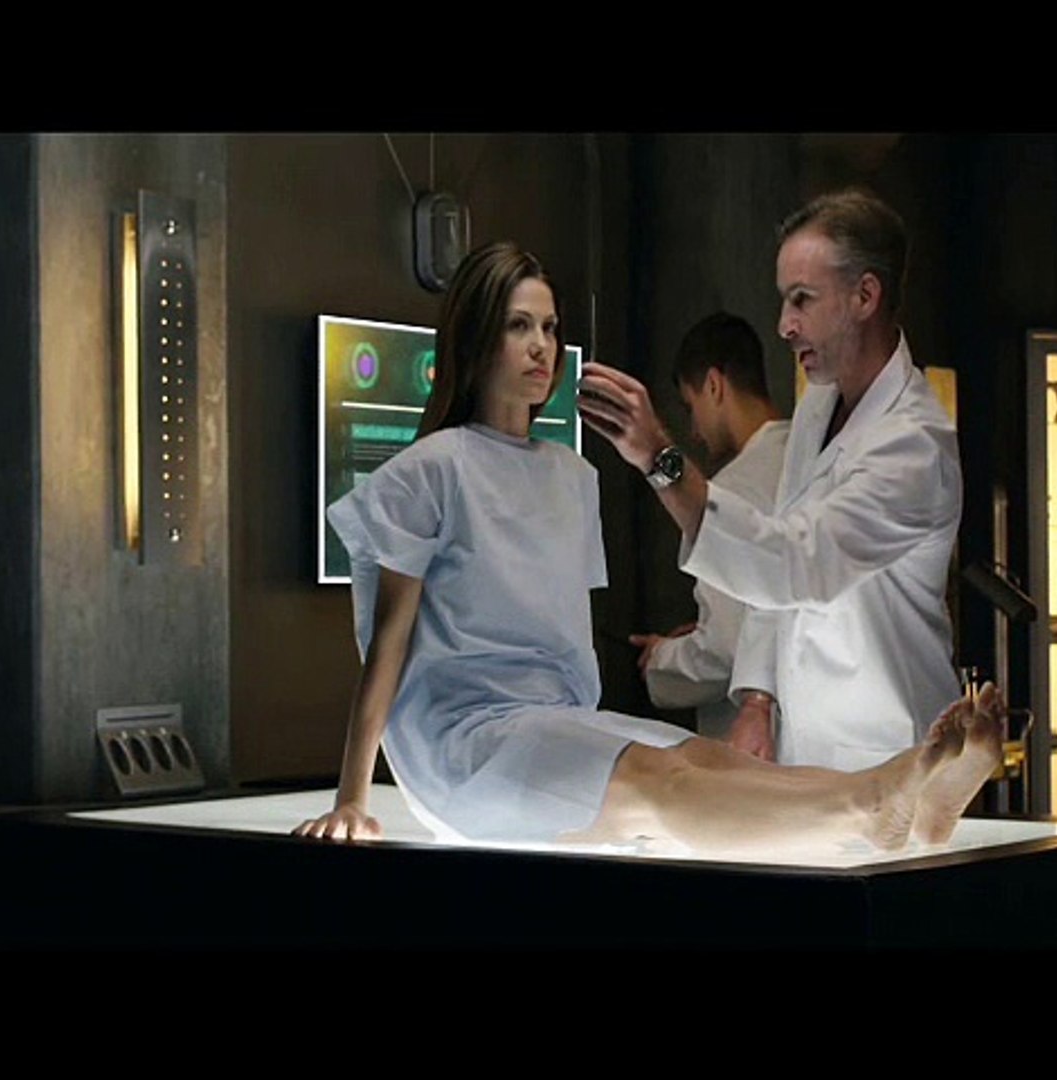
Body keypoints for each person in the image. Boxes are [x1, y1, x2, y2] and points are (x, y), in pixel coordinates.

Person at [292, 240, 1001, 856]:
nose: (541, 346)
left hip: (554, 720)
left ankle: (900, 808)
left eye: (549, 327)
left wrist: (592, 732)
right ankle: (872, 804)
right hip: (465, 745)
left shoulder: (572, 476)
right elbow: (387, 647)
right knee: (654, 784)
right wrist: (353, 796)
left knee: (706, 759)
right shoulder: (427, 471)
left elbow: (565, 641)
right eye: (518, 326)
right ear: (477, 339)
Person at [579, 188, 963, 771]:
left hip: (893, 754)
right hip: (807, 749)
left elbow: (792, 564)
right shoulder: (819, 407)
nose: (784, 325)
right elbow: (778, 563)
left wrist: (660, 458)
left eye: (802, 299)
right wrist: (758, 697)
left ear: (865, 296)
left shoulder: (914, 446)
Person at [630, 312, 789, 740]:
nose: (694, 430)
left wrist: (662, 659)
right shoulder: (809, 462)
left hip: (757, 743)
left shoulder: (733, 488)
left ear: (715, 386)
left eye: (690, 406)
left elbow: (724, 650)